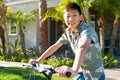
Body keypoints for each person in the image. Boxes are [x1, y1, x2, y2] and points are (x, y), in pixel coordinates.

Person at [29, 2, 105, 80]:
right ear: (64, 18)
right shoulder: (68, 32)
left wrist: (74, 70)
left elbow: (83, 47)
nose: (70, 19)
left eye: (74, 15)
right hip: (81, 72)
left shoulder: (87, 30)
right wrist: (38, 61)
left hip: (95, 74)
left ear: (80, 17)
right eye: (68, 16)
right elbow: (55, 46)